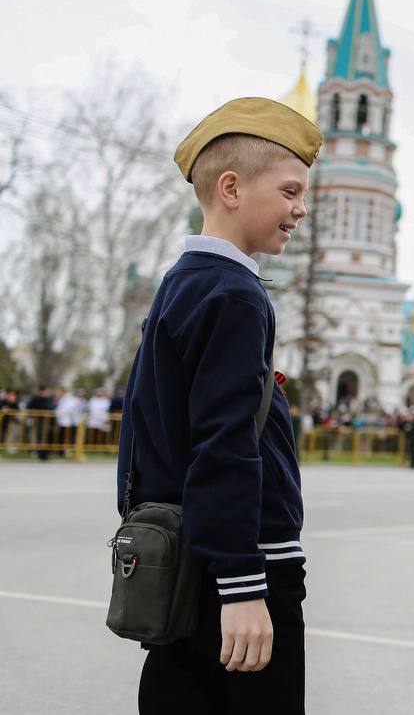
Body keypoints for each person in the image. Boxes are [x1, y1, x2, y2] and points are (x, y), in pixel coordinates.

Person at [115, 97, 321, 714]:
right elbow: (223, 443)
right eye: (289, 191)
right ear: (231, 188)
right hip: (239, 565)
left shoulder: (184, 282)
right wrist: (242, 587)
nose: (300, 209)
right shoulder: (234, 295)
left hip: (184, 558)